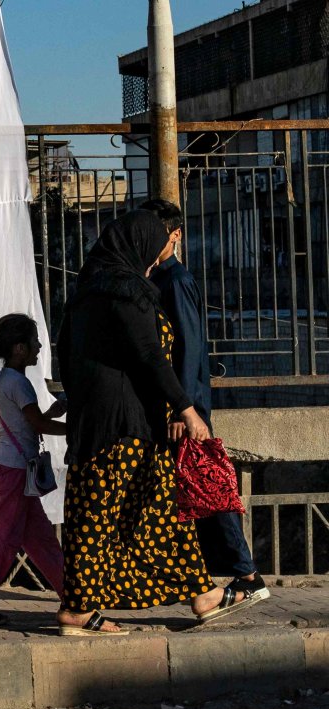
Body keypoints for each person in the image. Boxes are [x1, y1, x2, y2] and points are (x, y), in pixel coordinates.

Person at [55, 210, 255, 635]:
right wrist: (187, 409)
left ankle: (201, 595)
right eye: (154, 244)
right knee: (104, 516)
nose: (157, 254)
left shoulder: (88, 292)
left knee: (152, 513)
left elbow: (66, 358)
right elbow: (152, 357)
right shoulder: (126, 293)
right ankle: (78, 609)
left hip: (110, 424)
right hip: (123, 427)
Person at [142, 197, 268, 611]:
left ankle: (246, 574)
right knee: (196, 490)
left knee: (204, 488)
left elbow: (189, 349)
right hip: (181, 404)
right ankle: (234, 576)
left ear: (175, 235)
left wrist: (185, 408)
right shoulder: (160, 278)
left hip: (183, 408)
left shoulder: (174, 281)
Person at [0, 313, 67, 626]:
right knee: (0, 538)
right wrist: (73, 427)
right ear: (19, 348)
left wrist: (51, 414)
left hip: (13, 470)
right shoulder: (18, 383)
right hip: (15, 472)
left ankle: (72, 595)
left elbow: (27, 424)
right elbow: (38, 424)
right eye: (34, 341)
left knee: (40, 539)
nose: (38, 346)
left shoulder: (7, 381)